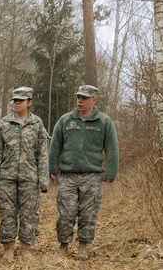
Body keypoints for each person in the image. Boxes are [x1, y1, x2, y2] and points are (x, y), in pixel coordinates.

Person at [49, 84, 120, 260]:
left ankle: (83, 246)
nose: (80, 101)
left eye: (84, 98)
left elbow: (112, 148)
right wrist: (52, 167)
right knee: (66, 213)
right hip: (68, 176)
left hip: (92, 176)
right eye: (78, 98)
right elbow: (55, 146)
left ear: (94, 100)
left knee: (88, 214)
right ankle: (63, 246)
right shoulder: (65, 120)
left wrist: (111, 172)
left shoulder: (104, 122)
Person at [0, 86, 49, 261]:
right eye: (14, 100)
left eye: (20, 101)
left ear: (29, 103)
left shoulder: (37, 124)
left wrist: (43, 179)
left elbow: (42, 153)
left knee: (29, 213)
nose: (16, 103)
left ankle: (26, 248)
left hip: (29, 177)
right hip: (7, 177)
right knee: (7, 212)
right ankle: (8, 248)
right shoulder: (4, 124)